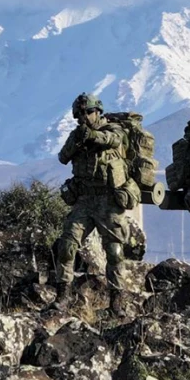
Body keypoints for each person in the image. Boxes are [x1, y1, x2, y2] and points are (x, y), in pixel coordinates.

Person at [51, 93, 138, 314]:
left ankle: (117, 300)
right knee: (67, 245)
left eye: (88, 112)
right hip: (84, 199)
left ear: (97, 111)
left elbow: (112, 140)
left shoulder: (113, 129)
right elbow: (63, 157)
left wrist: (91, 136)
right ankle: (63, 296)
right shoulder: (78, 134)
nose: (84, 117)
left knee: (115, 250)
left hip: (108, 200)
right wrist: (77, 139)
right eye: (80, 114)